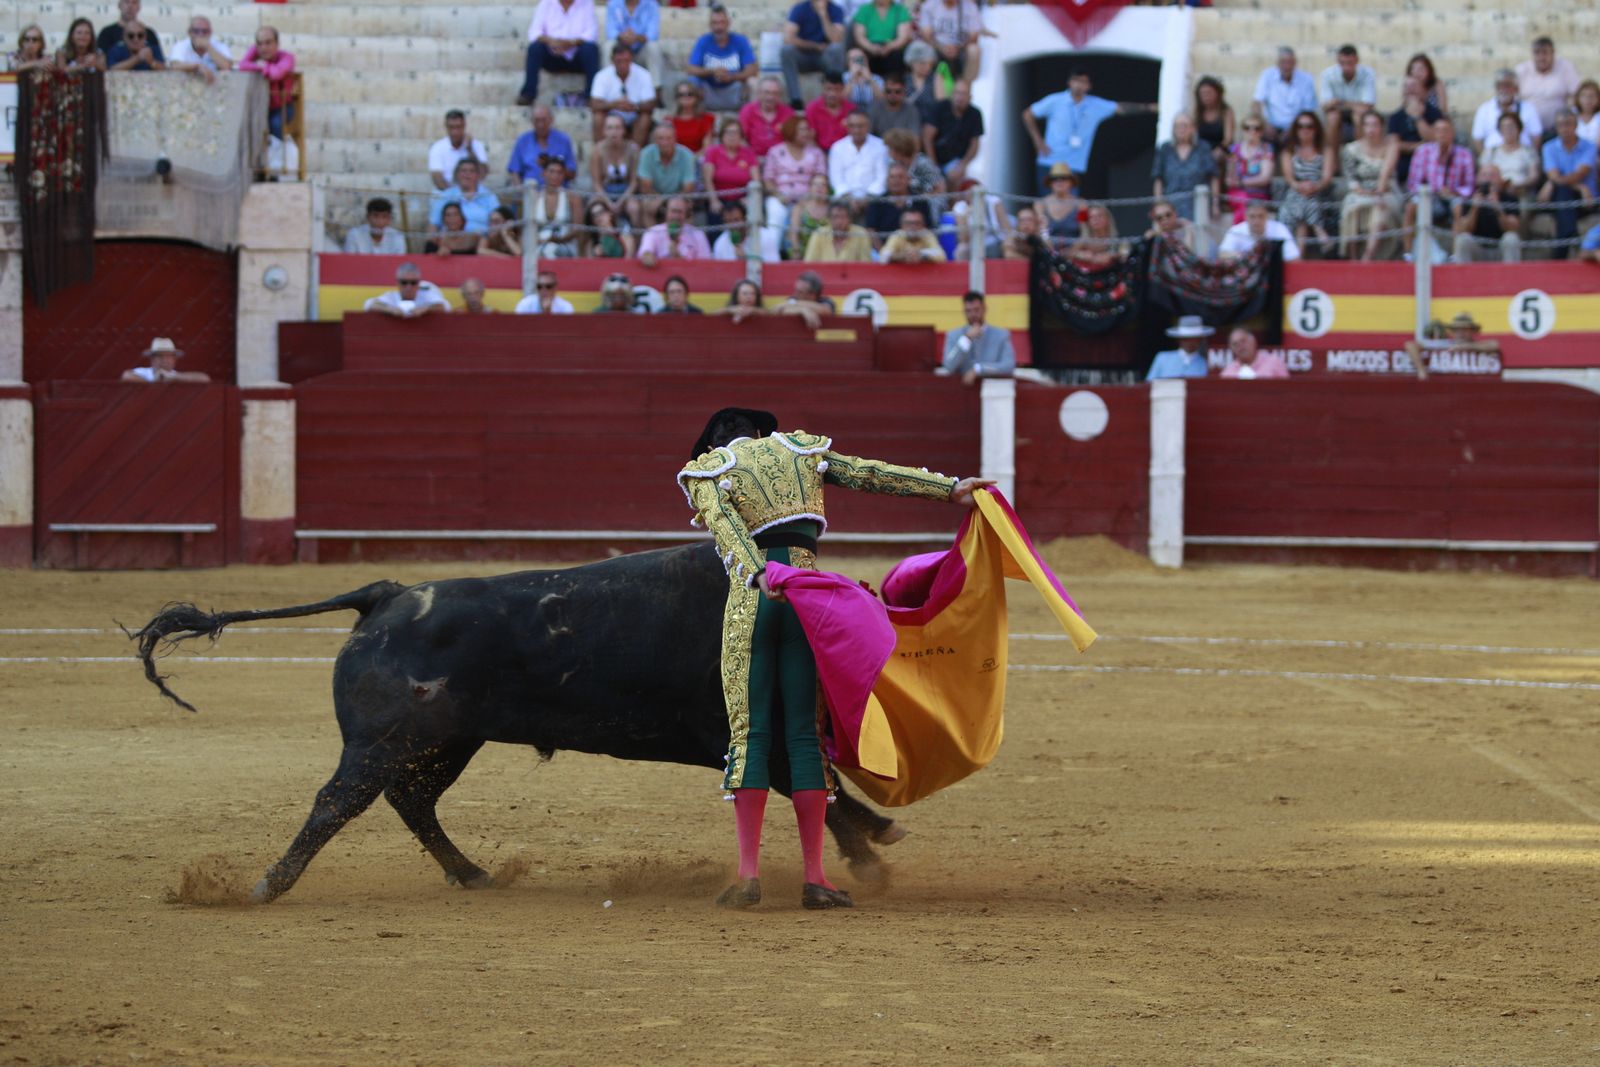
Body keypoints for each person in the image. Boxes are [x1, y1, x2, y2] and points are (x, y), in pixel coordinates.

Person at [677, 407, 992, 909]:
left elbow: (725, 527)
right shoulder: (800, 449)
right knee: (805, 736)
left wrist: (759, 572)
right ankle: (816, 879)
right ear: (759, 432)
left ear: (715, 443)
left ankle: (747, 876)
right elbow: (871, 474)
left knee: (750, 735)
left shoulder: (708, 470)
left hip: (754, 600)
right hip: (807, 597)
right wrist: (950, 488)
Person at [1024, 69, 1156, 195]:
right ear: (1069, 82)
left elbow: (1121, 108)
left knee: (1071, 205)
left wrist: (1149, 108)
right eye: (1075, 80)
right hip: (1049, 161)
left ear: (1089, 86)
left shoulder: (1096, 105)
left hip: (1074, 165)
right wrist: (1038, 141)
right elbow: (1028, 114)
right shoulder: (1054, 100)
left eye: (1083, 81)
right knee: (1046, 203)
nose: (1078, 85)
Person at [1403, 115, 1475, 259]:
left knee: (1458, 208)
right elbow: (1412, 183)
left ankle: (1455, 254)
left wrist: (1453, 192)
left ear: (1452, 133)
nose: (1442, 134)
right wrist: (1432, 190)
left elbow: (1469, 186)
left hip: (1452, 197)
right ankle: (1408, 254)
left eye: (1445, 130)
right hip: (1428, 195)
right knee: (1410, 207)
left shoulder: (1464, 154)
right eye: (1438, 130)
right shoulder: (1423, 151)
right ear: (1433, 133)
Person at [1339, 111, 1400, 261]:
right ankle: (1353, 257)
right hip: (1359, 191)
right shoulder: (1351, 149)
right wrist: (1362, 192)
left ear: (1382, 127)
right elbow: (1350, 178)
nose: (1371, 129)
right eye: (1367, 125)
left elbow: (1386, 174)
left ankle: (1368, 256)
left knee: (1379, 207)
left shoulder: (1391, 146)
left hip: (1386, 191)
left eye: (1375, 125)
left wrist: (1378, 193)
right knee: (1352, 205)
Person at [1537, 110, 1598, 257]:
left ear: (1576, 126)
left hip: (1584, 202)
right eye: (1560, 125)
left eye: (1568, 124)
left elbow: (1579, 174)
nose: (1564, 129)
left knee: (1562, 191)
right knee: (1563, 192)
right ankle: (1570, 235)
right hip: (1559, 199)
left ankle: (1560, 251)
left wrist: (1553, 182)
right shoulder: (1549, 147)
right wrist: (1580, 186)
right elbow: (1553, 175)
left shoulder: (1589, 147)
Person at [519, 0, 600, 106]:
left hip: (576, 56)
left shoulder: (586, 3)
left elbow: (591, 33)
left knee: (591, 49)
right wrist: (551, 42)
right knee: (535, 48)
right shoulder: (546, 3)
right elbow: (534, 32)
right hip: (552, 55)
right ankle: (528, 94)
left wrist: (570, 43)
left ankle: (591, 96)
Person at [1277, 110, 1334, 254]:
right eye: (1301, 126)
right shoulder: (1289, 151)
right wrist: (1300, 186)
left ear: (1316, 129)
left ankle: (1298, 253)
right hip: (1296, 190)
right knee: (1301, 204)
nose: (1305, 130)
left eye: (1309, 126)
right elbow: (1289, 178)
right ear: (1295, 129)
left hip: (1319, 191)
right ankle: (1320, 233)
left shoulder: (1325, 150)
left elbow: (1327, 177)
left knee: (1308, 203)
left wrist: (1315, 186)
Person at [763, 116, 827, 240]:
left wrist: (810, 197)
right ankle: (774, 250)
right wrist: (779, 196)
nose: (805, 133)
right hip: (780, 197)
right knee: (776, 212)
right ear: (790, 130)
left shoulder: (816, 153)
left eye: (807, 129)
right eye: (801, 129)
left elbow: (821, 177)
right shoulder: (775, 152)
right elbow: (768, 179)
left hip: (810, 198)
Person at [686, 3, 757, 112]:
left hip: (734, 91)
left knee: (753, 82)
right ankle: (695, 119)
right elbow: (691, 69)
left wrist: (731, 77)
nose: (719, 27)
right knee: (692, 81)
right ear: (710, 25)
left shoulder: (740, 41)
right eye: (715, 23)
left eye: (722, 22)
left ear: (728, 23)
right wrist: (712, 71)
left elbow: (752, 70)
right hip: (710, 92)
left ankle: (751, 117)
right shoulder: (703, 41)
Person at [1150, 112, 1216, 223]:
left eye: (1184, 125)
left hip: (1197, 204)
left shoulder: (1203, 148)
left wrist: (1215, 204)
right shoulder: (1165, 149)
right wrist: (1159, 204)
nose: (1181, 129)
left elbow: (1213, 176)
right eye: (1177, 126)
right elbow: (1158, 178)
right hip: (1170, 206)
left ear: (1193, 128)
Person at [780, 0, 847, 108]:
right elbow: (788, 38)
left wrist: (823, 15)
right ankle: (795, 100)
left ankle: (835, 95)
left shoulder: (836, 10)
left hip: (825, 58)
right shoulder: (799, 9)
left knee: (836, 48)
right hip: (803, 56)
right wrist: (815, 46)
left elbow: (835, 39)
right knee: (786, 50)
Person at [589, 42, 657, 144]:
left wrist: (634, 107)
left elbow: (650, 104)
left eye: (626, 61)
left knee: (645, 117)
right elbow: (594, 104)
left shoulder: (644, 74)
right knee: (598, 117)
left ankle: (636, 151)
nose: (623, 65)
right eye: (619, 61)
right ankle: (600, 150)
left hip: (635, 114)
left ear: (631, 59)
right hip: (611, 114)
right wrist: (614, 105)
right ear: (612, 60)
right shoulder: (602, 76)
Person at [1452, 165, 1523, 264]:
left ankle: (1511, 273)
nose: (1488, 179)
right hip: (1477, 250)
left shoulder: (1510, 199)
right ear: (1477, 179)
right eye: (1484, 175)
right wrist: (1474, 208)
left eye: (1492, 175)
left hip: (1500, 249)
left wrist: (1498, 208)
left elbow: (1513, 229)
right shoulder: (1469, 200)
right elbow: (1463, 230)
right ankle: (1463, 274)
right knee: (1462, 239)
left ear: (1500, 179)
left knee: (1511, 238)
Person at [940, 291, 1014, 384]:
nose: (973, 314)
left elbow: (1008, 366)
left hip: (991, 389)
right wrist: (966, 339)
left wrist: (979, 369)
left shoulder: (1001, 335)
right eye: (968, 311)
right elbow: (949, 366)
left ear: (984, 309)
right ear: (964, 312)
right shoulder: (954, 335)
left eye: (976, 310)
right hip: (962, 389)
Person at [238, 26, 296, 140]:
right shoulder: (256, 53)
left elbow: (276, 74)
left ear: (277, 44)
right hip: (258, 107)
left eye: (268, 42)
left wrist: (262, 65)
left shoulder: (287, 57)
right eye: (259, 44)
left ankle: (278, 150)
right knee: (242, 124)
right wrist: (260, 65)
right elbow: (242, 66)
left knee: (275, 124)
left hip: (281, 107)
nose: (263, 48)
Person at [1250, 46, 1317, 145]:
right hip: (1271, 126)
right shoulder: (1267, 75)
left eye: (1289, 62)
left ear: (1295, 63)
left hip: (1296, 127)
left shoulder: (1306, 79)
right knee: (1255, 130)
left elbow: (1308, 110)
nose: (1286, 66)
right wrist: (1264, 124)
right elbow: (1256, 103)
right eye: (1283, 62)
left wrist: (1292, 129)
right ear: (1277, 64)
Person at [922, 80, 983, 186]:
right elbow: (927, 137)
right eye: (957, 93)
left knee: (957, 179)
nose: (960, 97)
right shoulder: (940, 108)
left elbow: (974, 144)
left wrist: (963, 165)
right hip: (932, 158)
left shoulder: (975, 114)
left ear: (970, 97)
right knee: (934, 183)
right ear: (952, 94)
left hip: (955, 161)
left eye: (963, 94)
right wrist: (933, 165)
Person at [1386, 74, 1442, 190]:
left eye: (1413, 86)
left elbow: (1436, 140)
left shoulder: (1435, 114)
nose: (1409, 89)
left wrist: (1417, 118)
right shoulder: (1395, 117)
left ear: (1423, 89)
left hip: (1431, 168)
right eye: (1406, 86)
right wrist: (1421, 146)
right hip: (1404, 167)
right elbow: (1394, 145)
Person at [1516, 37, 1580, 135]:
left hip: (1559, 130)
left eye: (1545, 53)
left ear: (1553, 53)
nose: (1541, 58)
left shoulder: (1565, 67)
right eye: (1537, 53)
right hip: (1528, 129)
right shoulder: (1521, 70)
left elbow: (1576, 94)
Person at [589, 112, 643, 229]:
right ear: (604, 131)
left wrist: (621, 201)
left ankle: (637, 238)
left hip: (626, 191)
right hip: (605, 191)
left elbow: (634, 182)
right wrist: (608, 202)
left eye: (618, 128)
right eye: (610, 128)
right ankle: (602, 239)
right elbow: (596, 183)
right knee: (597, 210)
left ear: (623, 130)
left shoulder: (633, 149)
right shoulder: (597, 151)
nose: (614, 132)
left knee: (634, 208)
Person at [703, 117, 762, 223]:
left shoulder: (749, 153)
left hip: (742, 199)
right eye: (728, 132)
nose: (732, 136)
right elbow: (708, 180)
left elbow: (756, 180)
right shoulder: (712, 152)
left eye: (735, 133)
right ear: (722, 135)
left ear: (741, 136)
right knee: (715, 213)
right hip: (719, 199)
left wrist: (748, 198)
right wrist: (714, 200)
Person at [828, 110, 889, 212]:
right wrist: (849, 199)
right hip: (844, 201)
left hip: (874, 200)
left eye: (860, 126)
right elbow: (836, 178)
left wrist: (867, 198)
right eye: (852, 126)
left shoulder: (881, 146)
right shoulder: (837, 147)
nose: (856, 130)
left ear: (868, 126)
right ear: (847, 126)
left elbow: (882, 177)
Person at [1472, 70, 1541, 157]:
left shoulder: (1529, 109)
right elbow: (1477, 139)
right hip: (1493, 158)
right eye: (1499, 86)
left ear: (1516, 89)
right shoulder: (1484, 109)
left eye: (1507, 85)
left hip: (1522, 158)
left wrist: (1530, 158)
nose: (1503, 90)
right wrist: (1486, 159)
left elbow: (1536, 136)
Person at [638, 121, 699, 219]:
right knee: (647, 206)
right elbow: (646, 188)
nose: (665, 142)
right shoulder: (646, 153)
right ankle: (651, 230)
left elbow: (688, 188)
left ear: (675, 139)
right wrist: (664, 201)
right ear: (654, 140)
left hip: (680, 196)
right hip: (655, 197)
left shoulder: (687, 155)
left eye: (668, 138)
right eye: (660, 138)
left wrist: (672, 202)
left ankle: (682, 230)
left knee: (685, 207)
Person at [1317, 44, 1375, 144]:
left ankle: (1359, 151)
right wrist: (1354, 104)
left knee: (1359, 116)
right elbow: (1326, 106)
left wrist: (1340, 102)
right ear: (1338, 61)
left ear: (1357, 60)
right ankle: (1331, 152)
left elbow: (1367, 106)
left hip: (1357, 112)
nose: (1346, 67)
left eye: (1350, 63)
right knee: (1332, 117)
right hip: (1337, 112)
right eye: (1342, 63)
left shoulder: (1368, 74)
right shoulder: (1327, 75)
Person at [863, 162, 932, 245]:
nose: (896, 180)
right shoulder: (877, 202)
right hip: (884, 249)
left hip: (917, 248)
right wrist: (883, 251)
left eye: (900, 177)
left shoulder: (920, 201)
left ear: (908, 179)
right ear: (887, 180)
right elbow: (871, 230)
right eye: (892, 177)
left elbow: (927, 229)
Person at [507, 105, 577, 186]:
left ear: (551, 120)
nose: (541, 125)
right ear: (532, 121)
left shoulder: (563, 140)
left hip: (558, 191)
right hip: (529, 190)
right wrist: (520, 190)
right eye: (537, 120)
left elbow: (572, 173)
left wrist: (554, 167)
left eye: (544, 120)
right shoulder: (523, 141)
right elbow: (514, 171)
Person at [1225, 115, 1275, 223]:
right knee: (1244, 202)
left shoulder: (1266, 149)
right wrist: (1233, 177)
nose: (1252, 131)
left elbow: (1265, 178)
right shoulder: (1234, 149)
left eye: (1257, 128)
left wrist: (1241, 183)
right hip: (1237, 193)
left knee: (1246, 205)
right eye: (1247, 128)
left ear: (1262, 131)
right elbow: (1230, 180)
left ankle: (1238, 231)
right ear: (1243, 130)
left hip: (1259, 194)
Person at [429, 159, 501, 234]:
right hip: (453, 239)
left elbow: (498, 222)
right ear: (457, 174)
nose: (467, 174)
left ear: (478, 175)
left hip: (482, 239)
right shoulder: (445, 196)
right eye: (463, 171)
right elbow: (434, 224)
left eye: (472, 171)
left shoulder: (488, 196)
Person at [915, 0, 982, 81]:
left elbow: (974, 35)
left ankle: (966, 85)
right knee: (920, 47)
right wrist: (942, 48)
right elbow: (926, 34)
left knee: (974, 50)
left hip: (961, 48)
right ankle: (925, 84)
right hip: (937, 47)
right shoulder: (930, 5)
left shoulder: (970, 7)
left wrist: (958, 47)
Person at [530, 156, 582, 257]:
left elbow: (578, 229)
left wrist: (559, 240)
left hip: (565, 244)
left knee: (554, 251)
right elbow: (529, 227)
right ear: (544, 173)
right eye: (551, 171)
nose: (555, 176)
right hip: (539, 244)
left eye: (559, 172)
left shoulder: (573, 198)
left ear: (564, 175)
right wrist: (539, 240)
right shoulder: (535, 198)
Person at [638, 196, 712, 265]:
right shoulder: (653, 232)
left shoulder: (698, 234)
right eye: (673, 211)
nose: (676, 216)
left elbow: (705, 264)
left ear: (686, 214)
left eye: (679, 212)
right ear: (666, 212)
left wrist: (678, 257)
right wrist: (647, 256)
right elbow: (645, 252)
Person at [1218, 200, 1301, 262]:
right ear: (1245, 217)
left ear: (1267, 216)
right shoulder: (1236, 230)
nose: (1257, 221)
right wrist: (1247, 257)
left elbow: (1294, 257)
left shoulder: (1279, 229)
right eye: (1252, 216)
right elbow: (1223, 254)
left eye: (1260, 216)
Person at [1483, 112, 1541, 199]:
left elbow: (1534, 176)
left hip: (1521, 192)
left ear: (1519, 129)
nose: (1508, 130)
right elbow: (1482, 176)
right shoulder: (1491, 152)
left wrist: (1518, 186)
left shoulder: (1528, 151)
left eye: (1511, 127)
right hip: (1496, 193)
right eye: (1504, 127)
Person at [605, 0, 662, 86]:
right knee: (608, 46)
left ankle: (656, 87)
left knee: (653, 46)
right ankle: (608, 85)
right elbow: (611, 32)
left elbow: (653, 34)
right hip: (621, 50)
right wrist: (623, 36)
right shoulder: (614, 3)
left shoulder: (651, 4)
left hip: (641, 50)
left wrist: (637, 37)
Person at [428, 110, 488, 192]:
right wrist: (455, 195)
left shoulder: (476, 145)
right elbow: (437, 179)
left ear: (464, 126)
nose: (455, 132)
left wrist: (470, 149)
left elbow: (482, 174)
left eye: (458, 127)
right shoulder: (437, 148)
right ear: (446, 127)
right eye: (451, 127)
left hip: (472, 193)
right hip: (445, 193)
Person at [365, 264, 450, 317]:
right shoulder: (392, 296)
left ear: (418, 283)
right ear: (398, 283)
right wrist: (390, 309)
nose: (408, 287)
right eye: (404, 282)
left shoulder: (426, 295)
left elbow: (445, 306)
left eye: (413, 283)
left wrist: (425, 309)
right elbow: (369, 305)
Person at [739, 76, 795, 159]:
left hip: (782, 159)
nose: (770, 97)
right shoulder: (747, 111)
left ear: (780, 95)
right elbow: (741, 139)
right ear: (758, 93)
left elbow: (793, 140)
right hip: (755, 158)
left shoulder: (788, 113)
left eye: (775, 93)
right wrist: (751, 158)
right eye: (767, 92)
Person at [168, 16, 233, 83]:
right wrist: (197, 67)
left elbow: (227, 67)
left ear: (210, 32)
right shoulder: (180, 46)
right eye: (196, 31)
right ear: (189, 32)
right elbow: (174, 66)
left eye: (205, 31)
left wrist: (208, 47)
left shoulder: (220, 46)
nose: (201, 34)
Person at [804, 200, 874, 261]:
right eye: (835, 217)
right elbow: (809, 264)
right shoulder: (819, 234)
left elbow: (866, 265)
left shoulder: (861, 234)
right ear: (829, 219)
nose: (839, 222)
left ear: (850, 219)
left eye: (843, 217)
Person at [882, 128, 943, 198]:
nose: (888, 152)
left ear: (900, 149)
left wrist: (921, 198)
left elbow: (939, 187)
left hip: (926, 200)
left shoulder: (923, 164)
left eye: (890, 149)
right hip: (902, 200)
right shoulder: (892, 164)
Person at [97, 0, 164, 64]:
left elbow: (160, 63)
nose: (130, 6)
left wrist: (151, 62)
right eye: (126, 2)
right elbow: (101, 62)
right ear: (119, 5)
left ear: (139, 7)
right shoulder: (106, 33)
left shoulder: (149, 33)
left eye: (134, 2)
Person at [1192, 75, 1235, 173]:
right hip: (1202, 150)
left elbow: (1228, 139)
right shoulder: (1197, 112)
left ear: (1217, 93)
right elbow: (1193, 135)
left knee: (1217, 158)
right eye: (1202, 93)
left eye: (1208, 93)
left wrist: (1218, 150)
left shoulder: (1226, 111)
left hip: (1221, 149)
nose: (1205, 96)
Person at [712, 199, 780, 262]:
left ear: (745, 219)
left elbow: (773, 266)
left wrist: (745, 260)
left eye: (736, 220)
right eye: (728, 221)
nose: (733, 225)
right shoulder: (720, 244)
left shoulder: (766, 237)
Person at [1146, 317, 1213, 380]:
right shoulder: (1162, 358)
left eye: (1193, 338)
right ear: (1179, 339)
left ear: (1200, 339)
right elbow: (1149, 384)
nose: (1189, 342)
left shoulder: (1206, 364)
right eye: (1185, 338)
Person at [786, 173, 834, 259]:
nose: (819, 187)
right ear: (810, 188)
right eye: (815, 184)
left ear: (828, 189)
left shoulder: (833, 210)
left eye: (823, 185)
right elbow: (793, 233)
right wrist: (796, 250)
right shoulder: (800, 208)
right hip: (802, 252)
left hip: (825, 253)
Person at [121, 337, 211, 383]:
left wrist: (173, 377)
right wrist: (153, 382)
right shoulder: (144, 373)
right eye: (160, 356)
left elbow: (204, 378)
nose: (164, 360)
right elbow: (126, 375)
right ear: (152, 359)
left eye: (168, 357)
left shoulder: (175, 375)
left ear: (174, 360)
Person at [805, 72, 855, 152]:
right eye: (828, 89)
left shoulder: (851, 109)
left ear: (843, 89)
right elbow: (810, 138)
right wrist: (820, 155)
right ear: (822, 88)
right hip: (821, 151)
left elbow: (856, 136)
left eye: (837, 89)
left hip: (847, 152)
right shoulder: (812, 108)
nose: (832, 94)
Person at [1035, 163, 1083, 247]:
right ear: (1050, 183)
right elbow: (1042, 230)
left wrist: (1073, 251)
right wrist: (1051, 250)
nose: (1059, 181)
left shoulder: (1081, 204)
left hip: (1076, 252)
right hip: (1047, 249)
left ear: (1071, 182)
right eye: (1055, 178)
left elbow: (1085, 232)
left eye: (1064, 178)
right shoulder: (1040, 204)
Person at [1065, 203, 1124, 270]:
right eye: (1091, 217)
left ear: (1107, 218)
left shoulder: (1116, 238)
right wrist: (1080, 254)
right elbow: (1067, 253)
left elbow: (1124, 254)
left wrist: (1111, 255)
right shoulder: (1084, 239)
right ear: (1088, 222)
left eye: (1100, 216)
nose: (1096, 219)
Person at [343, 197, 408, 255]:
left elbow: (399, 262)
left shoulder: (397, 237)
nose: (380, 221)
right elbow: (349, 261)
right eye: (375, 216)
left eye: (384, 216)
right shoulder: (354, 235)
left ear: (389, 219)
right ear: (368, 217)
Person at [880, 207, 945, 263]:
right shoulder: (897, 235)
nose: (913, 227)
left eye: (917, 223)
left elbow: (942, 257)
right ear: (902, 225)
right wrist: (901, 256)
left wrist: (921, 254)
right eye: (909, 223)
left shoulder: (927, 235)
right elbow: (882, 257)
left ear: (923, 225)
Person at [868, 72, 922, 138]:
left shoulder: (912, 110)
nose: (893, 94)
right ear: (884, 91)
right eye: (888, 91)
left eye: (897, 92)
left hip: (903, 143)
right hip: (879, 143)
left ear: (904, 92)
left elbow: (914, 136)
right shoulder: (874, 108)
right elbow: (868, 135)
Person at [1219, 328, 1288, 379]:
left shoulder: (1273, 362)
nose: (1240, 346)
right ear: (1231, 349)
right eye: (1235, 344)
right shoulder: (1228, 372)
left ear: (1253, 340)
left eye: (1243, 341)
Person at [669, 80, 717, 154]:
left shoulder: (707, 118)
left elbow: (707, 148)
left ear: (697, 97)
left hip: (699, 158)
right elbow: (667, 146)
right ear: (677, 98)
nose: (686, 97)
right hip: (675, 158)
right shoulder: (669, 121)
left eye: (690, 94)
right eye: (681, 94)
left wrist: (692, 159)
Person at [902, 41, 944, 125]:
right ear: (912, 62)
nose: (927, 67)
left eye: (930, 64)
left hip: (931, 123)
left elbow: (942, 105)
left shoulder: (936, 78)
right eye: (922, 63)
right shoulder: (904, 80)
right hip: (908, 123)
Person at [1575, 80, 1600, 146]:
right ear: (1578, 98)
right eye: (1584, 96)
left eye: (1591, 96)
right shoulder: (1572, 115)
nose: (1588, 100)